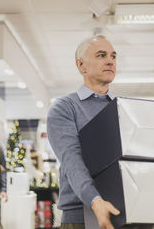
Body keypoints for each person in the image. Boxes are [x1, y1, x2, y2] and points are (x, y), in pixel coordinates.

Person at [47, 35, 120, 229]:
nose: (110, 61)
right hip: (80, 216)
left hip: (122, 212)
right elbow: (72, 161)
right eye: (101, 55)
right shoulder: (65, 107)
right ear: (81, 65)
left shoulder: (123, 110)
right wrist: (95, 201)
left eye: (113, 56)